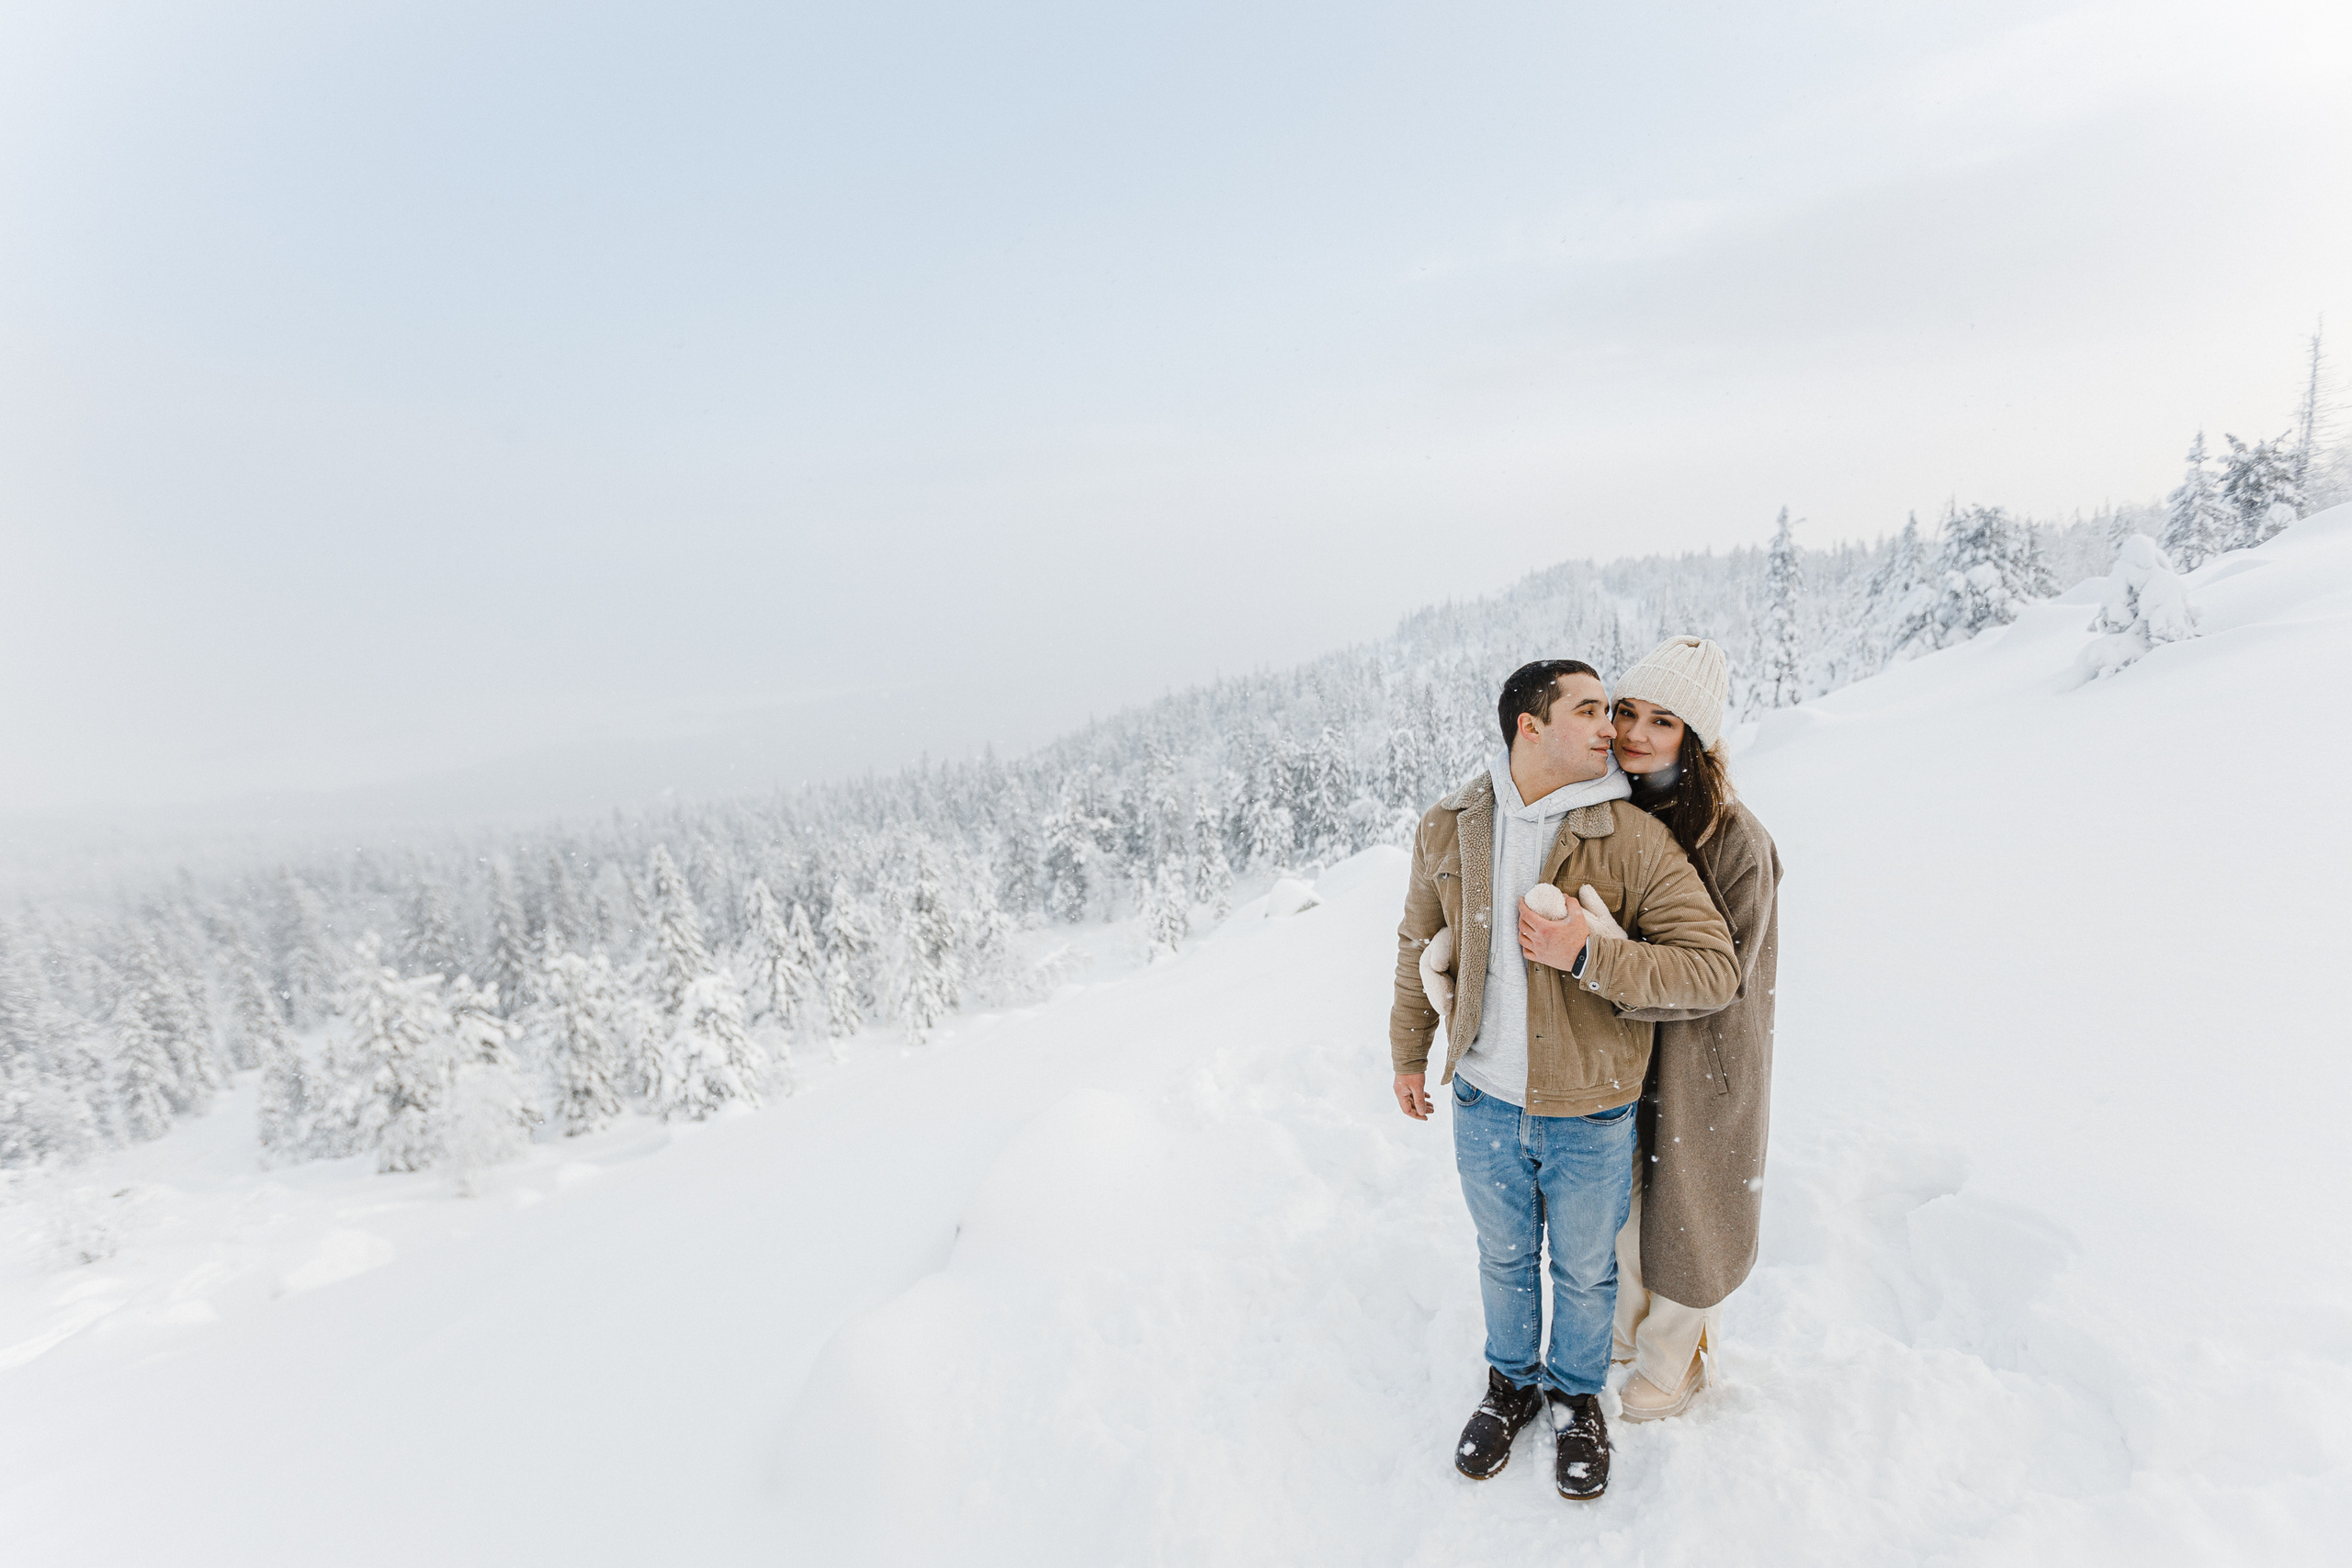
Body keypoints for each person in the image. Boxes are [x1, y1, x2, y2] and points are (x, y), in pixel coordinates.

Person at [1389, 659, 1738, 1503]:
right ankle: (1510, 1383)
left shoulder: (1634, 836)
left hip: (1590, 1109)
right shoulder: (1452, 823)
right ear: (1530, 727)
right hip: (1481, 1097)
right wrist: (1409, 1052)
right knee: (1503, 1255)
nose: (1610, 728)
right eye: (1590, 710)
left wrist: (1588, 953)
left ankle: (1577, 1397)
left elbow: (1713, 969)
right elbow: (1415, 942)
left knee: (1586, 1271)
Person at [1602, 636, 1782, 1421]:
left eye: (1662, 721)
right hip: (1626, 1044)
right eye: (1627, 712)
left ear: (1696, 739)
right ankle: (1622, 1333)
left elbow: (1723, 979)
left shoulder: (1738, 840)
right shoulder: (1614, 810)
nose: (1637, 733)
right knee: (1624, 1203)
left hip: (1704, 1058)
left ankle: (1675, 1359)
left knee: (1688, 1209)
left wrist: (1609, 965)